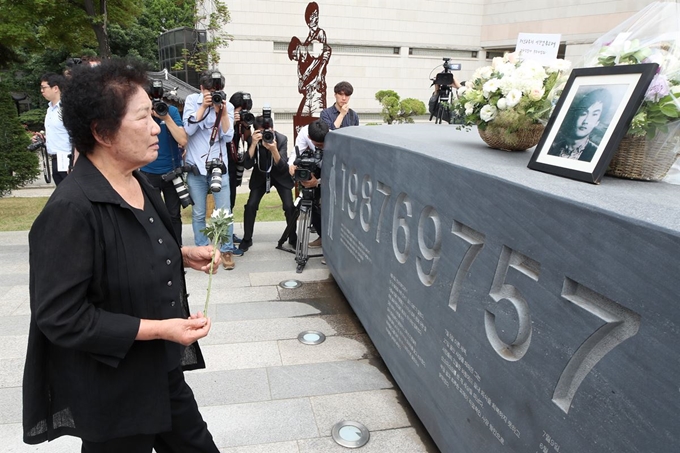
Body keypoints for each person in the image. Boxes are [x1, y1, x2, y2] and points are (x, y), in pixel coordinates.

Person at [23, 58, 221, 452]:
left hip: (160, 371)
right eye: (143, 118)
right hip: (112, 390)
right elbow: (61, 317)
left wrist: (181, 254)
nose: (155, 129)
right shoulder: (71, 209)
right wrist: (161, 328)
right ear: (102, 132)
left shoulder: (139, 182)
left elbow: (123, 248)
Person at [183, 70, 243, 271]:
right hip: (196, 168)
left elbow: (227, 137)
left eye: (217, 90)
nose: (213, 93)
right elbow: (189, 130)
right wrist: (204, 107)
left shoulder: (228, 105)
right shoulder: (192, 100)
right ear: (202, 89)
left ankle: (226, 249)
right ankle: (203, 250)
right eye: (209, 90)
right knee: (199, 212)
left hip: (219, 166)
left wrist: (223, 113)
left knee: (224, 212)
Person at [140, 85, 188, 244]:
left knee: (174, 215)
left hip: (171, 172)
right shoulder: (141, 113)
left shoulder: (171, 111)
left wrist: (166, 117)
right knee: (150, 215)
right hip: (148, 171)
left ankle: (177, 250)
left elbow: (182, 140)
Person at [239, 116, 296, 251]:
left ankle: (293, 236)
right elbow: (247, 164)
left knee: (289, 206)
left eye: (268, 132)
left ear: (273, 129)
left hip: (280, 175)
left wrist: (274, 149)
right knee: (251, 205)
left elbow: (282, 167)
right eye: (261, 133)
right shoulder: (253, 140)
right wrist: (253, 144)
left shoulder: (281, 139)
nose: (265, 135)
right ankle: (247, 238)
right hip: (260, 175)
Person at [288, 1, 332, 117]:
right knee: (302, 122)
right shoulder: (309, 40)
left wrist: (317, 76)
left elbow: (323, 55)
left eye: (316, 14)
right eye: (312, 15)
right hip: (309, 92)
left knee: (315, 123)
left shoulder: (319, 34)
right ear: (307, 18)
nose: (315, 18)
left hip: (316, 91)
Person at [291, 120, 329, 248]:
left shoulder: (335, 138)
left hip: (331, 172)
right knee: (309, 203)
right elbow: (295, 154)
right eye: (318, 144)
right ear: (309, 138)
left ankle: (330, 242)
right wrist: (292, 166)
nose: (321, 146)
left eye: (323, 144)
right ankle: (322, 236)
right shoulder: (304, 133)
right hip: (316, 170)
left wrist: (317, 182)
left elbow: (337, 173)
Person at [548, 88, 612, 162]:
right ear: (576, 115)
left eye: (594, 114)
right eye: (584, 113)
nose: (586, 121)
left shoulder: (596, 154)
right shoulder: (553, 145)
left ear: (597, 122)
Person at [227, 91, 253, 243]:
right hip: (225, 164)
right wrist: (231, 121)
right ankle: (225, 235)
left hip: (235, 164)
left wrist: (245, 124)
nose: (243, 113)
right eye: (240, 110)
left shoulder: (240, 121)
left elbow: (247, 138)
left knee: (232, 200)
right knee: (226, 202)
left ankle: (228, 233)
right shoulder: (225, 118)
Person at [38, 73, 71, 185]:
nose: (42, 91)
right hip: (55, 159)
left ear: (55, 88)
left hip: (67, 158)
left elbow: (75, 134)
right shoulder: (50, 109)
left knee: (71, 194)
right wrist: (44, 139)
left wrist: (74, 162)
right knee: (61, 194)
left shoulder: (66, 109)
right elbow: (59, 132)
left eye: (44, 87)